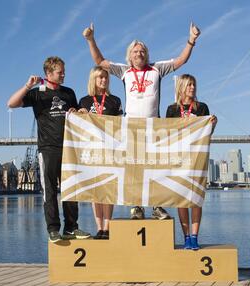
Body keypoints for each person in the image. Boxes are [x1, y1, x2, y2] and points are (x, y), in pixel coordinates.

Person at [83, 22, 201, 220]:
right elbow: (100, 60)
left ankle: (157, 206)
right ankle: (137, 207)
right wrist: (90, 39)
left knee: (156, 168)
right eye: (135, 51)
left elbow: (181, 61)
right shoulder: (124, 71)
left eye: (142, 51)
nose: (139, 54)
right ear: (130, 56)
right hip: (131, 127)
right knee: (135, 169)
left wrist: (191, 40)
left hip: (154, 126)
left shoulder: (157, 69)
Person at [7, 56, 91, 243]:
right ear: (49, 73)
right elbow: (11, 103)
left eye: (63, 71)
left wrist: (81, 112)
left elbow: (78, 113)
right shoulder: (37, 94)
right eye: (60, 72)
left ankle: (71, 228)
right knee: (50, 190)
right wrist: (27, 86)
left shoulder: (69, 93)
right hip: (48, 148)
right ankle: (53, 229)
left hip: (70, 148)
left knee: (71, 189)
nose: (63, 75)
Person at [165, 74, 218, 250]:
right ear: (180, 87)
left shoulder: (202, 107)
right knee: (181, 200)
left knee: (195, 199)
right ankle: (186, 237)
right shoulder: (171, 110)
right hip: (178, 159)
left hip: (196, 159)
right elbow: (167, 135)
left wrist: (213, 124)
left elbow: (206, 133)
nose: (192, 88)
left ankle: (195, 237)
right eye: (188, 85)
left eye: (194, 85)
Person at [78, 66, 123, 239]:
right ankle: (99, 228)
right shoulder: (84, 101)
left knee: (108, 190)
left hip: (110, 150)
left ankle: (108, 227)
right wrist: (79, 114)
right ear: (93, 80)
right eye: (100, 78)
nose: (103, 80)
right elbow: (78, 125)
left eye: (105, 77)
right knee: (96, 191)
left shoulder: (115, 100)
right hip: (91, 151)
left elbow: (121, 125)